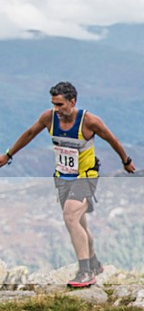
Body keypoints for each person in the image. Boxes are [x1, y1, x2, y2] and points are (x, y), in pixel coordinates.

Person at [0, 82, 135, 288]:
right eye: (54, 104)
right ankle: (94, 262)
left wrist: (126, 161)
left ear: (73, 102)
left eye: (60, 105)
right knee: (80, 223)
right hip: (63, 177)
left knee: (70, 216)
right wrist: (8, 155)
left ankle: (85, 272)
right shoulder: (49, 118)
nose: (57, 109)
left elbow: (112, 140)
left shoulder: (89, 121)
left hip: (86, 175)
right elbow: (29, 134)